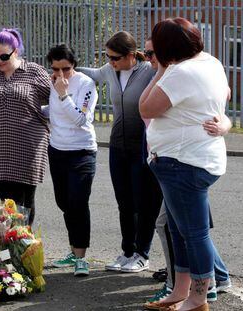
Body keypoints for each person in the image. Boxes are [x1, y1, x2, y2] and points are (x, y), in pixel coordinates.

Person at [139, 17, 230, 311]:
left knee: (193, 233)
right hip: (194, 160)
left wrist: (162, 70)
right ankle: (181, 291)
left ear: (167, 50)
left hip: (183, 162)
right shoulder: (211, 63)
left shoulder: (180, 72)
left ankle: (198, 298)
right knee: (179, 230)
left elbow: (145, 107)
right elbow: (225, 96)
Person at [78, 31, 162, 273]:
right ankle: (127, 252)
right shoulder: (110, 70)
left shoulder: (148, 71)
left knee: (142, 202)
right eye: (108, 56)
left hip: (141, 146)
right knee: (124, 202)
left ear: (129, 56)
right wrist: (68, 68)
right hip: (118, 145)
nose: (110, 61)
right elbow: (92, 74)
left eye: (115, 57)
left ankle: (142, 253)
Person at [0, 28, 51, 226]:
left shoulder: (34, 71)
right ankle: (13, 244)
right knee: (8, 202)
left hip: (29, 146)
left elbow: (58, 97)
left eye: (4, 56)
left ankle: (23, 245)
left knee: (25, 202)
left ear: (16, 51)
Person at [44, 44, 98, 276]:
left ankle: (81, 257)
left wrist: (64, 94)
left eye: (65, 68)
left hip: (82, 151)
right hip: (57, 150)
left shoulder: (85, 84)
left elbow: (80, 120)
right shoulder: (51, 82)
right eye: (56, 69)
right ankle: (73, 249)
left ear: (73, 65)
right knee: (64, 202)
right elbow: (52, 111)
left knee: (78, 202)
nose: (61, 74)